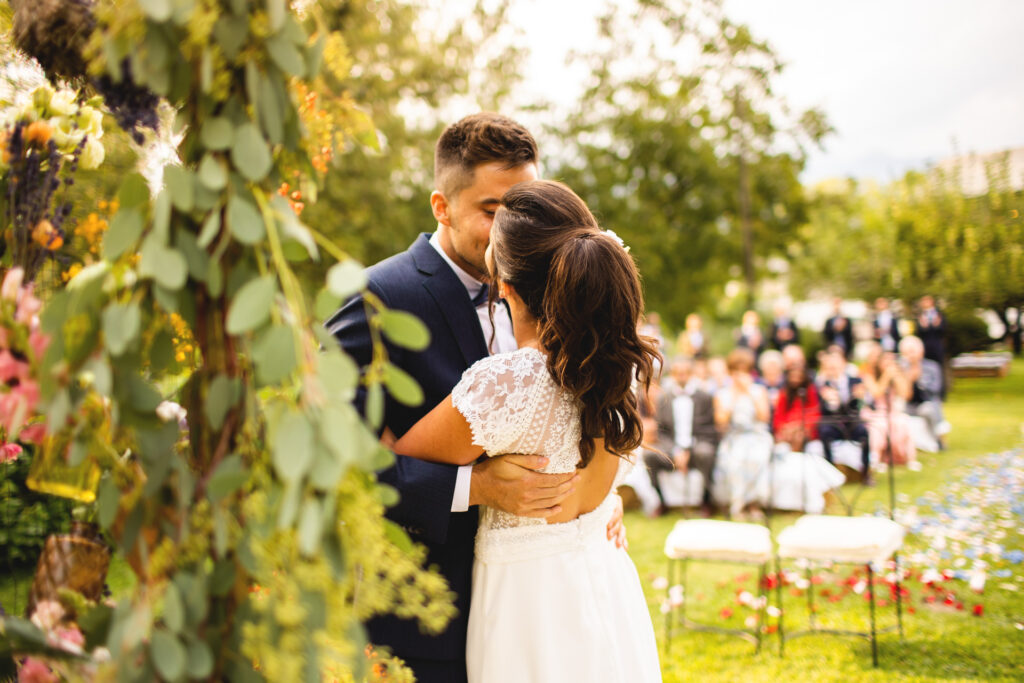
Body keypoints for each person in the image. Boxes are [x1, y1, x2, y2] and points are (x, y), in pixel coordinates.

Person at [326, 115, 625, 683]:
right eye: (493, 211)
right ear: (441, 206)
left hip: (543, 602)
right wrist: (475, 486)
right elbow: (333, 456)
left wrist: (601, 501)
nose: (512, 228)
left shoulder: (560, 296)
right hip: (422, 611)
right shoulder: (377, 296)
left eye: (523, 207)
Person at [393, 180, 661, 683]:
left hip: (530, 603)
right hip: (605, 578)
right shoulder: (616, 363)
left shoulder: (510, 382)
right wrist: (607, 499)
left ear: (506, 285)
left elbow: (398, 459)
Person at [711, 348, 773, 519]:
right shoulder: (723, 393)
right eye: (736, 371)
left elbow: (764, 417)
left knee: (757, 459)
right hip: (734, 437)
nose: (740, 375)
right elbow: (721, 421)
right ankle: (738, 504)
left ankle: (754, 504)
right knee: (735, 462)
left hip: (757, 436)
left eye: (744, 371)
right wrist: (734, 396)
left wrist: (748, 393)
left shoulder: (758, 391)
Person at [816, 349, 872, 484]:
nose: (833, 368)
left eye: (835, 364)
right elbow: (823, 410)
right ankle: (830, 473)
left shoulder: (855, 381)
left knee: (864, 432)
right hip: (833, 422)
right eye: (830, 365)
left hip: (851, 421)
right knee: (825, 432)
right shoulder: (823, 384)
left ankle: (865, 471)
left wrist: (858, 397)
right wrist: (830, 402)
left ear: (843, 364)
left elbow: (863, 404)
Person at [859, 342, 916, 466]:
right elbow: (876, 393)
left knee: (902, 422)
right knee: (880, 426)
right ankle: (878, 457)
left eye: (891, 361)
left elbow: (906, 394)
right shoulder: (869, 375)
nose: (888, 364)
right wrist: (886, 376)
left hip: (893, 411)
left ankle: (909, 458)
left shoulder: (897, 374)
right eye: (885, 361)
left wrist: (897, 378)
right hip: (874, 411)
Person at [899, 335, 951, 450]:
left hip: (928, 402)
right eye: (907, 352)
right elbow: (903, 394)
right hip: (909, 406)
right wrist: (909, 379)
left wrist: (920, 382)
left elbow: (936, 389)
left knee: (929, 409)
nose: (910, 355)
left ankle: (938, 439)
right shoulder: (901, 369)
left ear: (921, 351)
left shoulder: (932, 367)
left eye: (912, 351)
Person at [772, 366, 820, 453]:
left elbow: (814, 413)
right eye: (793, 376)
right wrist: (786, 428)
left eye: (798, 377)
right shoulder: (784, 393)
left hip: (804, 429)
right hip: (787, 430)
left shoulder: (810, 391)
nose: (795, 380)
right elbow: (778, 416)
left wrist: (798, 426)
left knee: (799, 437)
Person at [915, 295, 947, 397]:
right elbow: (918, 332)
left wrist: (937, 325)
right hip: (924, 347)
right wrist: (922, 327)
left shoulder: (939, 315)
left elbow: (944, 331)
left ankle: (941, 393)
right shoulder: (920, 316)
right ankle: (925, 392)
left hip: (937, 347)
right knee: (924, 369)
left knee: (939, 370)